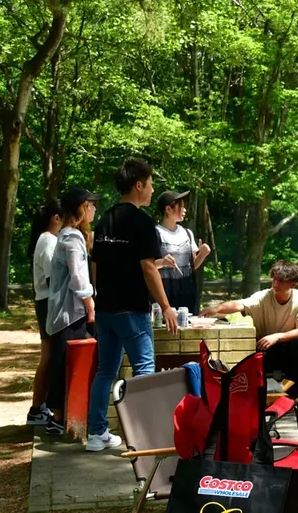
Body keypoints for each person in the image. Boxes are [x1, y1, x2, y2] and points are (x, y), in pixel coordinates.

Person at [87, 158, 178, 453]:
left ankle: (96, 435)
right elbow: (149, 268)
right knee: (144, 371)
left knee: (105, 372)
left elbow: (96, 267)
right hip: (132, 311)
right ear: (138, 185)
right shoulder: (141, 223)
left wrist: (101, 298)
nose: (152, 191)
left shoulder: (104, 220)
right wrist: (166, 306)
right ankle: (146, 436)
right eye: (151, 184)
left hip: (106, 310)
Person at [201, 260, 298, 406]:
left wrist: (277, 337)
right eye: (274, 278)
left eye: (281, 280)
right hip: (264, 350)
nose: (275, 283)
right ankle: (256, 392)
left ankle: (297, 390)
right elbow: (239, 305)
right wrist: (215, 309)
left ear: (292, 284)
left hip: (288, 350)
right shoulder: (263, 296)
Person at [44, 188, 99, 436]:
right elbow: (78, 277)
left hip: (65, 312)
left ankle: (60, 415)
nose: (94, 209)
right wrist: (90, 304)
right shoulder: (72, 238)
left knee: (63, 361)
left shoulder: (69, 235)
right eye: (90, 205)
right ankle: (58, 417)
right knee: (66, 363)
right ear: (80, 208)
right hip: (69, 313)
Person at [26, 200, 63, 426]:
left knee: (48, 357)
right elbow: (53, 278)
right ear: (55, 219)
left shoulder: (47, 239)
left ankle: (38, 407)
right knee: (49, 358)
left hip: (46, 301)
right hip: (48, 302)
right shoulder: (48, 240)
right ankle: (37, 408)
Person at [155, 190, 211, 314]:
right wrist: (163, 262)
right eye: (181, 206)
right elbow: (148, 266)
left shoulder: (187, 233)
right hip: (165, 291)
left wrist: (203, 254)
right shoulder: (155, 233)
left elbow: (193, 265)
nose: (185, 210)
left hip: (187, 290)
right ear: (168, 209)